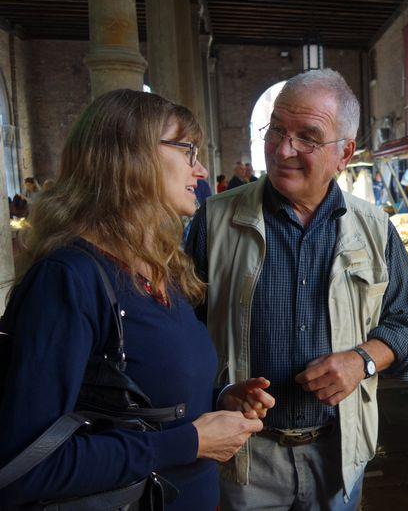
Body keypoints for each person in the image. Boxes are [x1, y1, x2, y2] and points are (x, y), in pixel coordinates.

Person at [0, 89, 273, 509]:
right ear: (130, 158)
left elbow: (130, 396)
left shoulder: (160, 266)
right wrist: (190, 441)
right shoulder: (68, 280)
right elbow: (27, 465)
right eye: (188, 151)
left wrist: (219, 400)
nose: (200, 169)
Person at [186, 69, 408, 510]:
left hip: (338, 451)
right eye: (276, 129)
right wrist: (221, 392)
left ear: (345, 153)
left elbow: (405, 321)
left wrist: (363, 361)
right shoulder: (213, 222)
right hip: (246, 453)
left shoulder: (373, 228)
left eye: (307, 137)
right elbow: (182, 332)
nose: (282, 149)